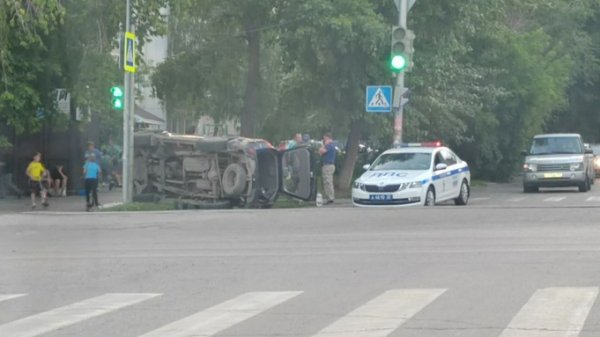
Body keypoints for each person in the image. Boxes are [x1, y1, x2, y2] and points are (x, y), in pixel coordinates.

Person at [319, 132, 336, 204]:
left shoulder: (329, 145)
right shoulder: (330, 145)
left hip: (328, 165)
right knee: (327, 182)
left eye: (324, 138)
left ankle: (330, 198)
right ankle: (329, 197)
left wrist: (323, 145)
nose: (324, 139)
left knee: (328, 182)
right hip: (328, 165)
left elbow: (321, 152)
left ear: (328, 138)